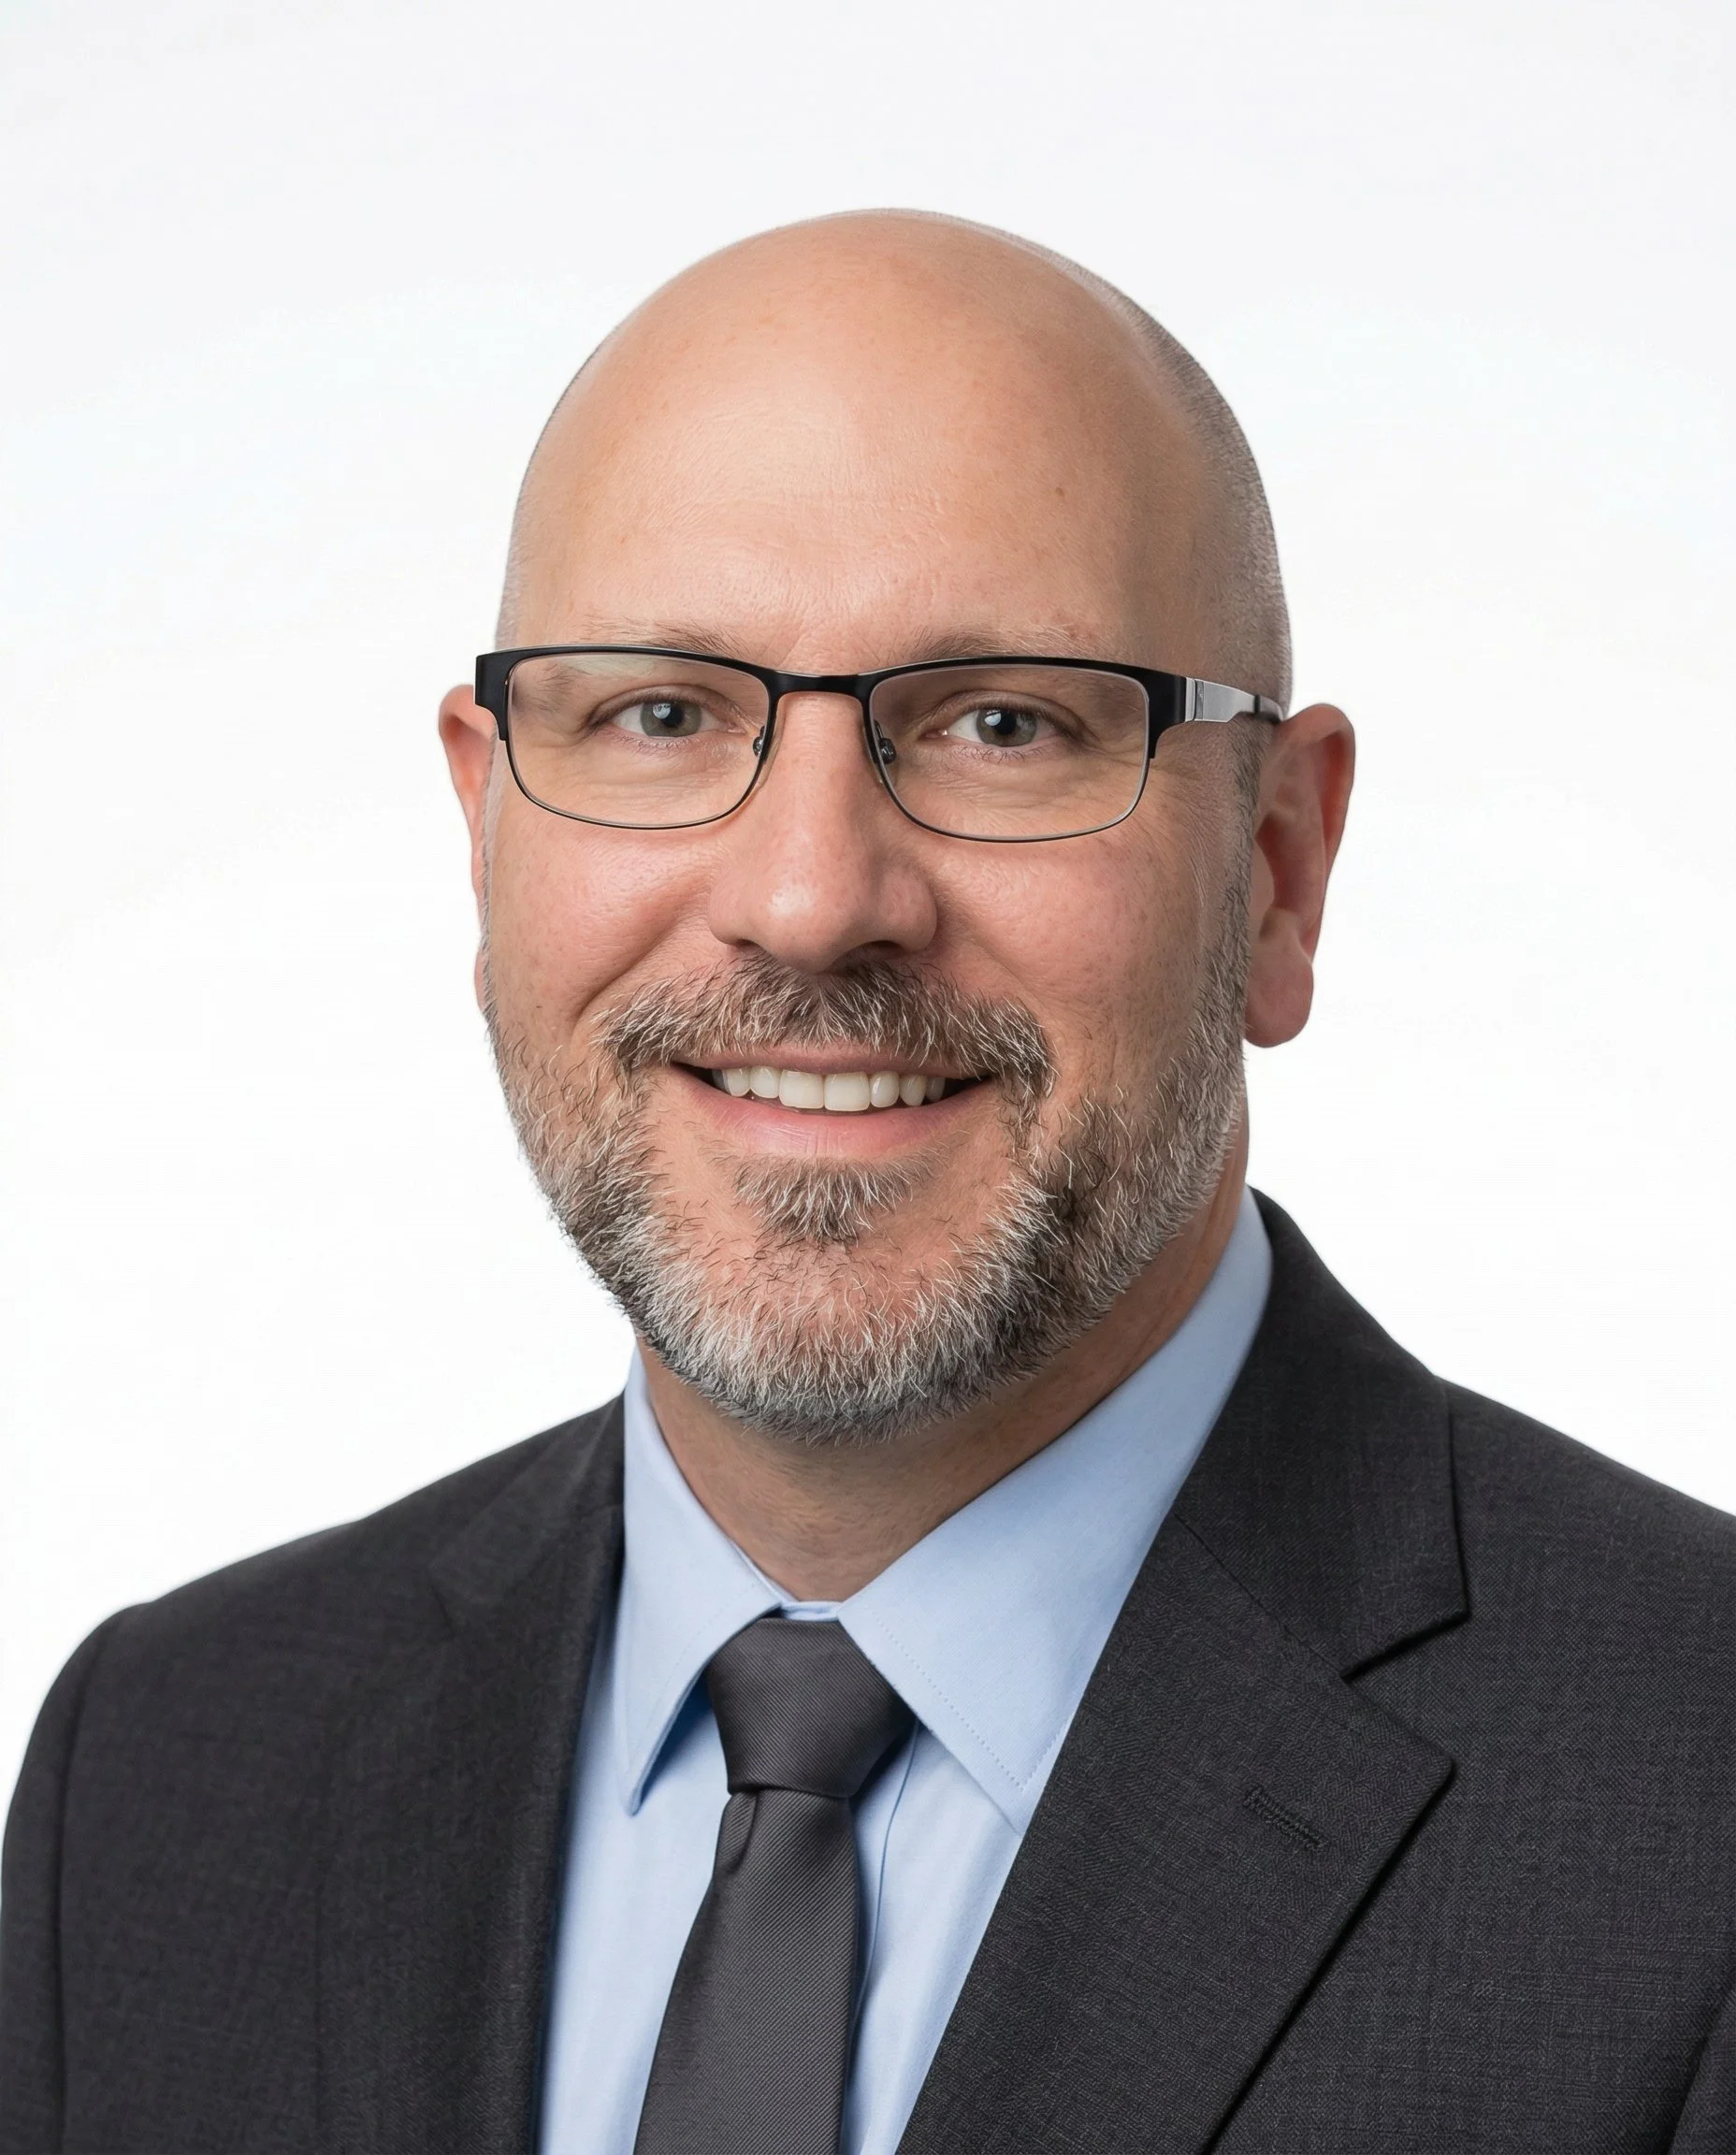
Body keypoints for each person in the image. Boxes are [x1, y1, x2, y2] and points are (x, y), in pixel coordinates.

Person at [3, 210, 1734, 2155]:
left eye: (1004, 722)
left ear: (1276, 873)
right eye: (660, 714)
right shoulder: (161, 1777)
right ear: (484, 830)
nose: (813, 896)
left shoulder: (1695, 1805)